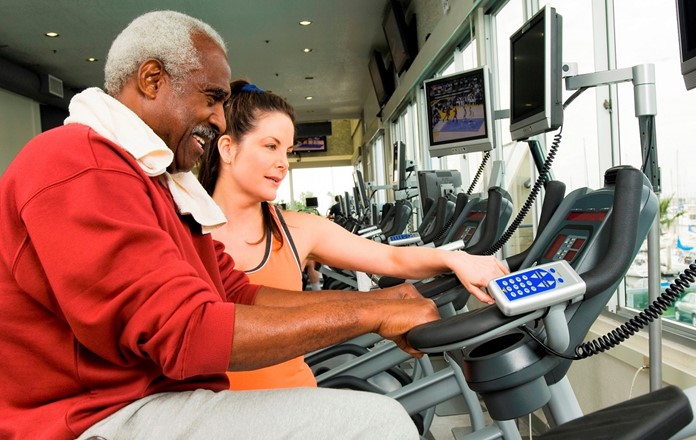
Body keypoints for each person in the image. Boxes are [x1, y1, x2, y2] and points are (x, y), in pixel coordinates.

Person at [0, 11, 443, 440]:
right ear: (152, 80)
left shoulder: (155, 183)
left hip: (154, 401)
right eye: (211, 99)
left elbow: (237, 294)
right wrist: (372, 313)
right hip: (94, 419)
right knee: (376, 424)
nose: (218, 118)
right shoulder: (80, 163)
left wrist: (385, 300)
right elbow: (185, 331)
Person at [197, 80, 510, 391]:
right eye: (270, 146)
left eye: (287, 151)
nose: (283, 164)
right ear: (228, 148)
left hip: (295, 401)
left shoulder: (298, 230)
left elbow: (390, 256)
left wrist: (455, 259)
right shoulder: (180, 235)